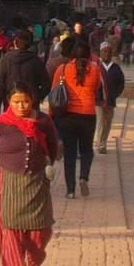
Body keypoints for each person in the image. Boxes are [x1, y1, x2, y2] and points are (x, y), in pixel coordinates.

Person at [0, 84, 61, 266]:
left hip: (37, 181)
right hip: (9, 181)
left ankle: (34, 260)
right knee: (11, 231)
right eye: (16, 102)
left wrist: (47, 164)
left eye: (25, 101)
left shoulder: (43, 121)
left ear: (32, 99)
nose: (21, 106)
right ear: (9, 102)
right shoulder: (0, 124)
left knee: (41, 229)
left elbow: (53, 145)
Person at [48, 37, 101, 199]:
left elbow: (54, 93)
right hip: (88, 115)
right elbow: (97, 88)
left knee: (70, 153)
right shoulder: (95, 69)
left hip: (67, 116)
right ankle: (84, 177)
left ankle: (70, 190)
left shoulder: (63, 69)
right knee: (86, 150)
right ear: (88, 55)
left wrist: (52, 115)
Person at [0, 30, 49, 119]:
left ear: (15, 42)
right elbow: (46, 84)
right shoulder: (35, 60)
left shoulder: (6, 59)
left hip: (11, 106)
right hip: (31, 107)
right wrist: (36, 97)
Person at [95, 40, 125, 153]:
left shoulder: (116, 68)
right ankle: (100, 145)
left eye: (108, 52)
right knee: (101, 122)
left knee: (107, 123)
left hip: (111, 101)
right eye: (104, 51)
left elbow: (121, 84)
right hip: (98, 101)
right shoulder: (96, 67)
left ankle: (104, 142)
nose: (106, 54)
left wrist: (115, 95)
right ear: (100, 53)